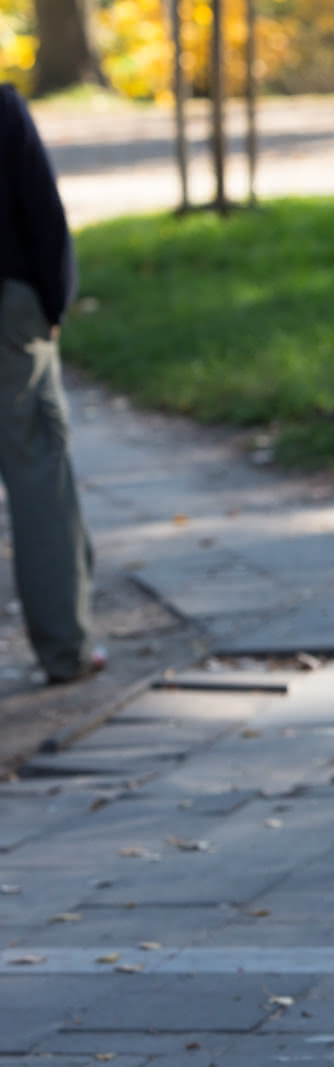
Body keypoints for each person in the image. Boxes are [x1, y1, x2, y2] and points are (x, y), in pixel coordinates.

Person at [0, 83, 102, 685]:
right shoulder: (3, 109)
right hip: (10, 312)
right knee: (38, 471)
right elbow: (43, 210)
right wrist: (54, 301)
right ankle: (66, 646)